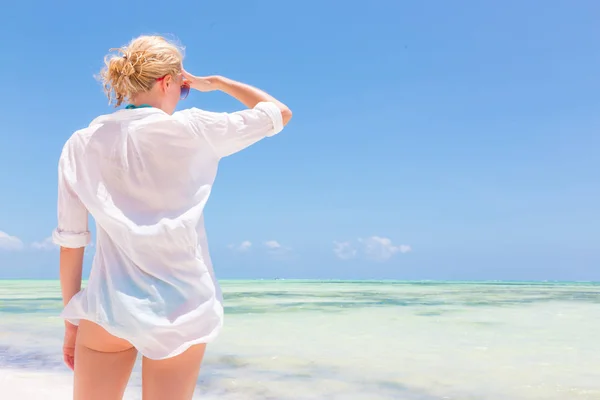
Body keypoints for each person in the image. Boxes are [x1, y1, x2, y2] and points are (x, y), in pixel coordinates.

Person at [52, 35, 292, 400]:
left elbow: (71, 242)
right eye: (183, 89)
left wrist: (72, 322)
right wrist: (217, 83)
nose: (183, 97)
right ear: (168, 82)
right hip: (180, 312)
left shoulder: (81, 143)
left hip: (108, 308)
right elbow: (278, 112)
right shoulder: (194, 129)